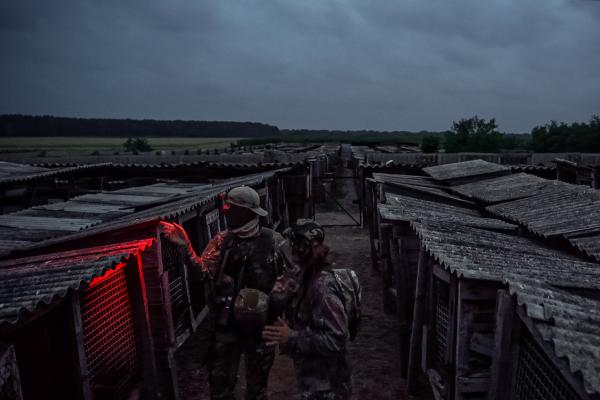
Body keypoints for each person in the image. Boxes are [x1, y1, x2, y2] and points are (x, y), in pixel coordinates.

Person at [160, 186, 289, 400]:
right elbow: (203, 274)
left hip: (263, 326)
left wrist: (278, 308)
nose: (225, 210)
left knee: (257, 390)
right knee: (219, 387)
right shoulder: (222, 241)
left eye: (231, 207)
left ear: (247, 212)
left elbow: (290, 279)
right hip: (227, 323)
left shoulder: (274, 241)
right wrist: (186, 247)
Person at [262, 220, 352, 400]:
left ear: (305, 249)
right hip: (313, 378)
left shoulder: (323, 287)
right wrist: (283, 296)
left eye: (295, 246)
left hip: (328, 385)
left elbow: (336, 339)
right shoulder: (307, 277)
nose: (292, 251)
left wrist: (292, 336)